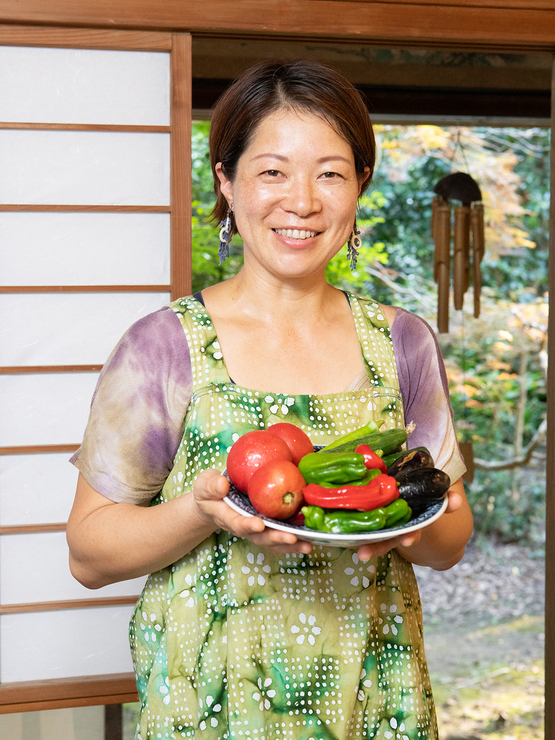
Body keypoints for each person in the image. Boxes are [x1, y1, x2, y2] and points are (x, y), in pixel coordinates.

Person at [67, 60, 473, 740]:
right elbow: (88, 554)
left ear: (360, 186)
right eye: (272, 171)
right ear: (226, 183)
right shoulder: (165, 345)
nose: (303, 201)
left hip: (375, 703)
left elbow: (449, 541)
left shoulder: (402, 342)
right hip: (211, 711)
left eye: (330, 173)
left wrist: (414, 525)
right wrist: (203, 511)